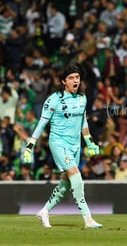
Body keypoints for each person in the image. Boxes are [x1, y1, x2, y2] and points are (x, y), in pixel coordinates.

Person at [22, 65, 102, 228]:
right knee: (77, 178)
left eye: (77, 77)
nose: (75, 80)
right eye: (72, 78)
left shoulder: (82, 98)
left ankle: (44, 212)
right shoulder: (54, 99)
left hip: (75, 145)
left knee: (65, 184)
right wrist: (29, 147)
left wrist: (89, 141)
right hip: (58, 142)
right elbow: (41, 123)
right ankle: (88, 219)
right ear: (63, 81)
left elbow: (83, 122)